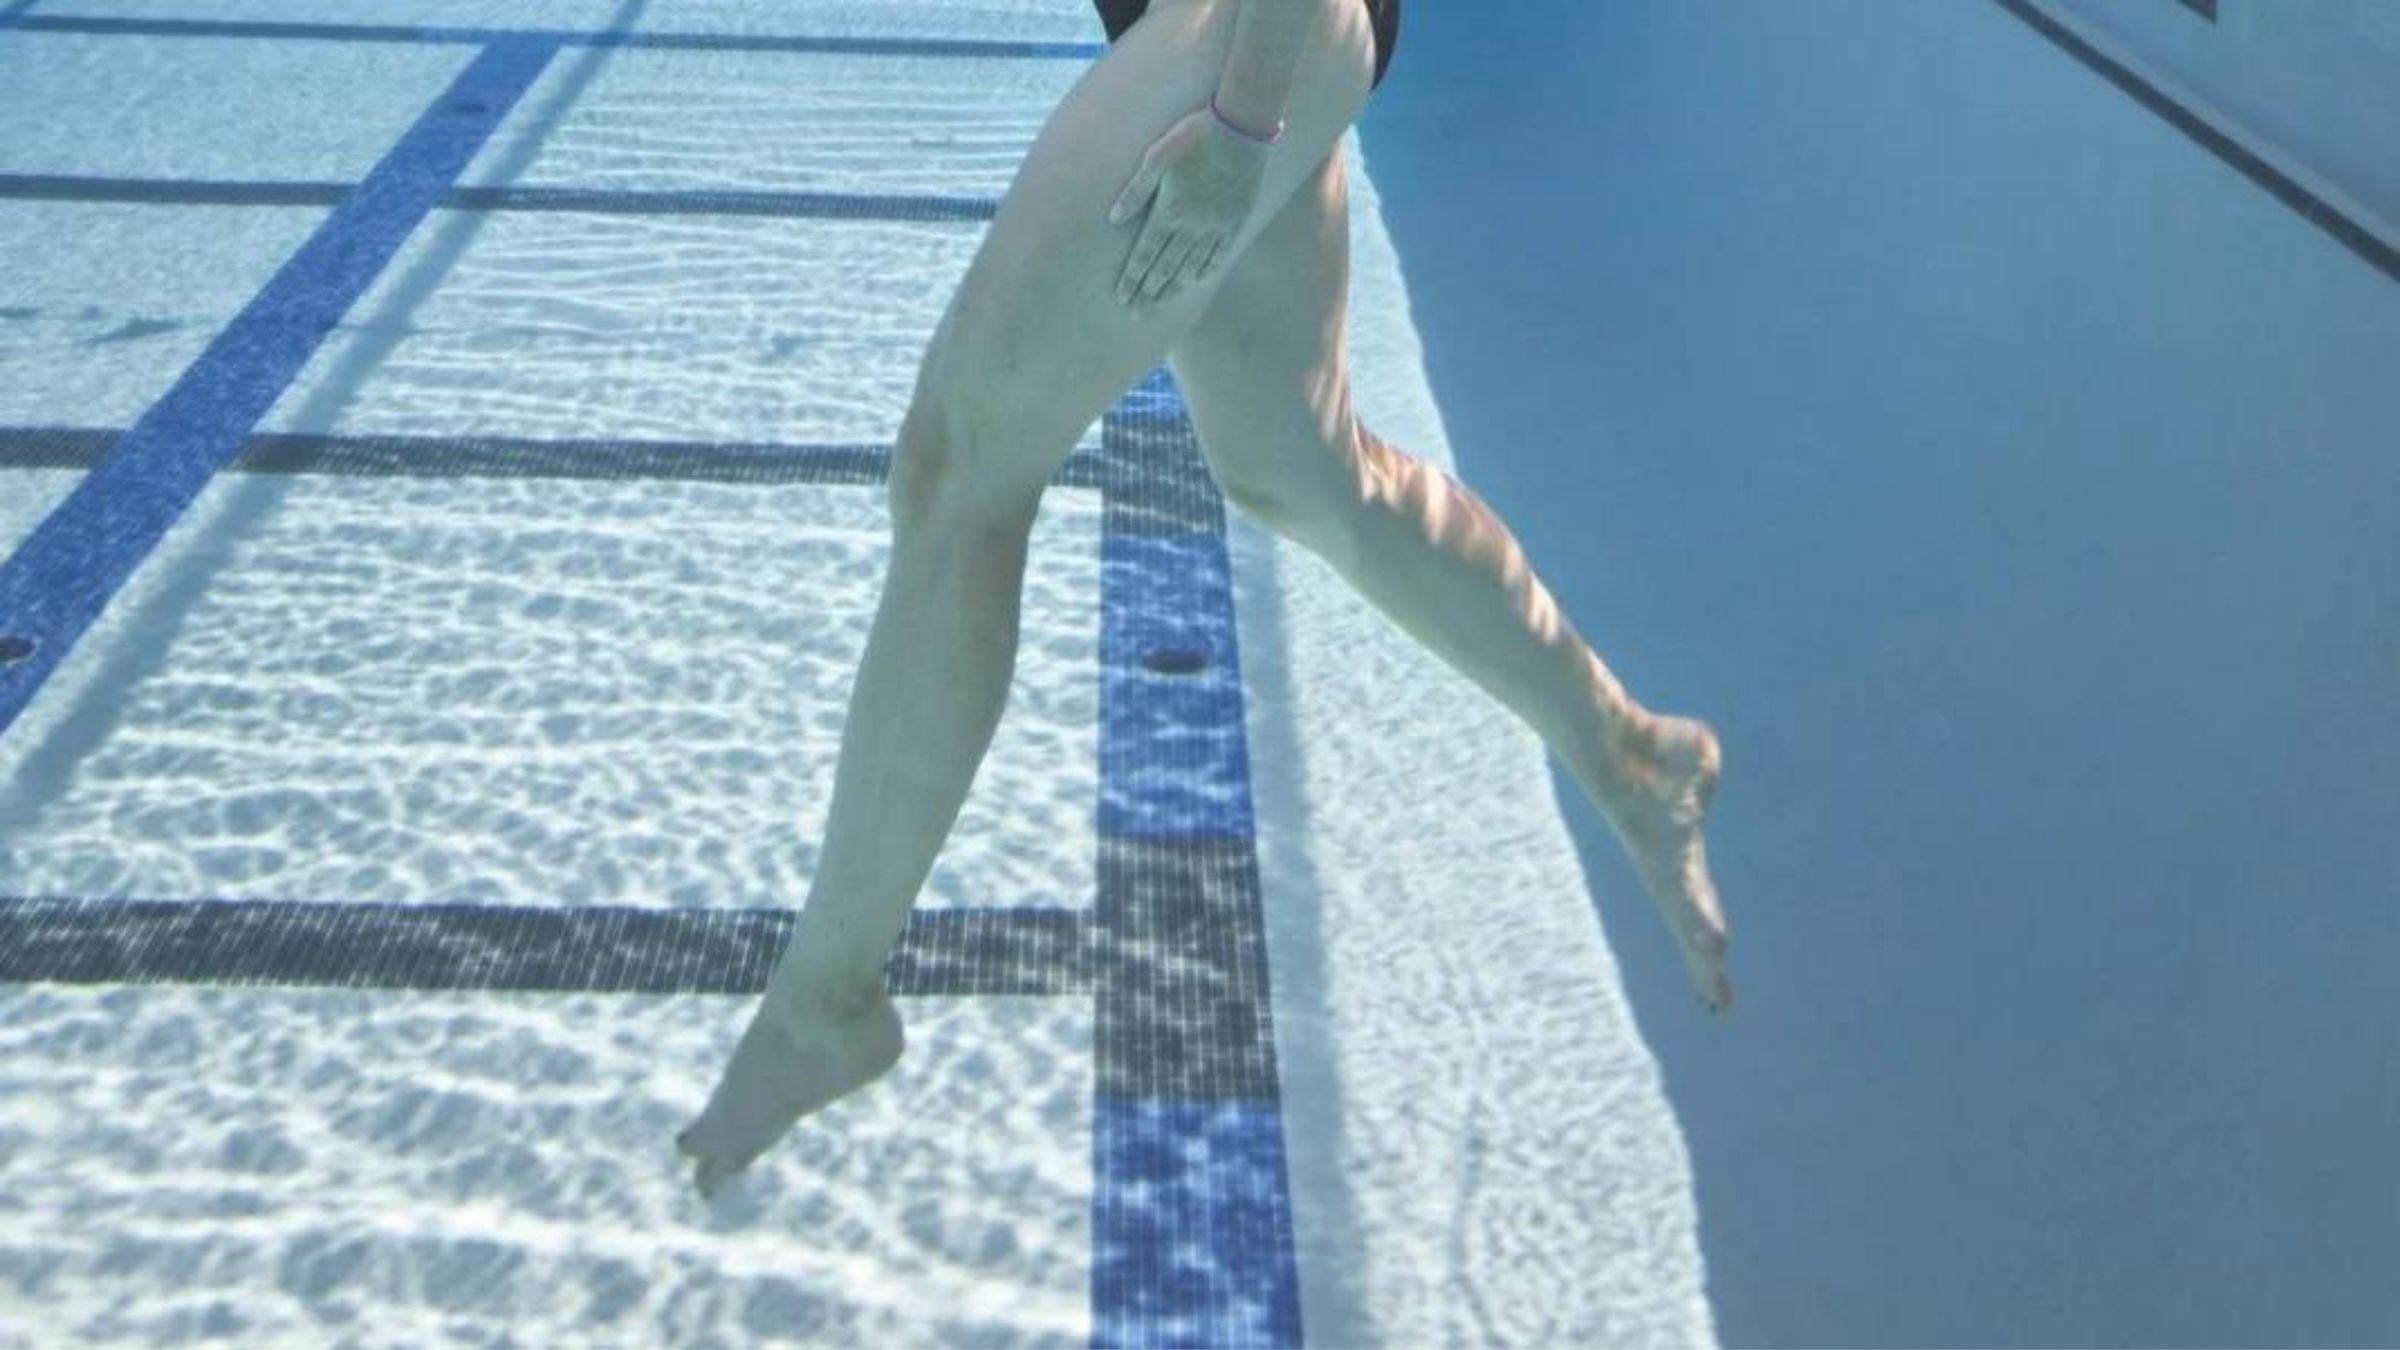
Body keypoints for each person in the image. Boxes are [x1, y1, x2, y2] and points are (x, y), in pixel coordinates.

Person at [676, 0, 1731, 1201]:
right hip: (1240, 33)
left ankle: (824, 1004)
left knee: (958, 472)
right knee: (1309, 472)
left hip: (1249, 33)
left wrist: (1241, 125)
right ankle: (1632, 754)